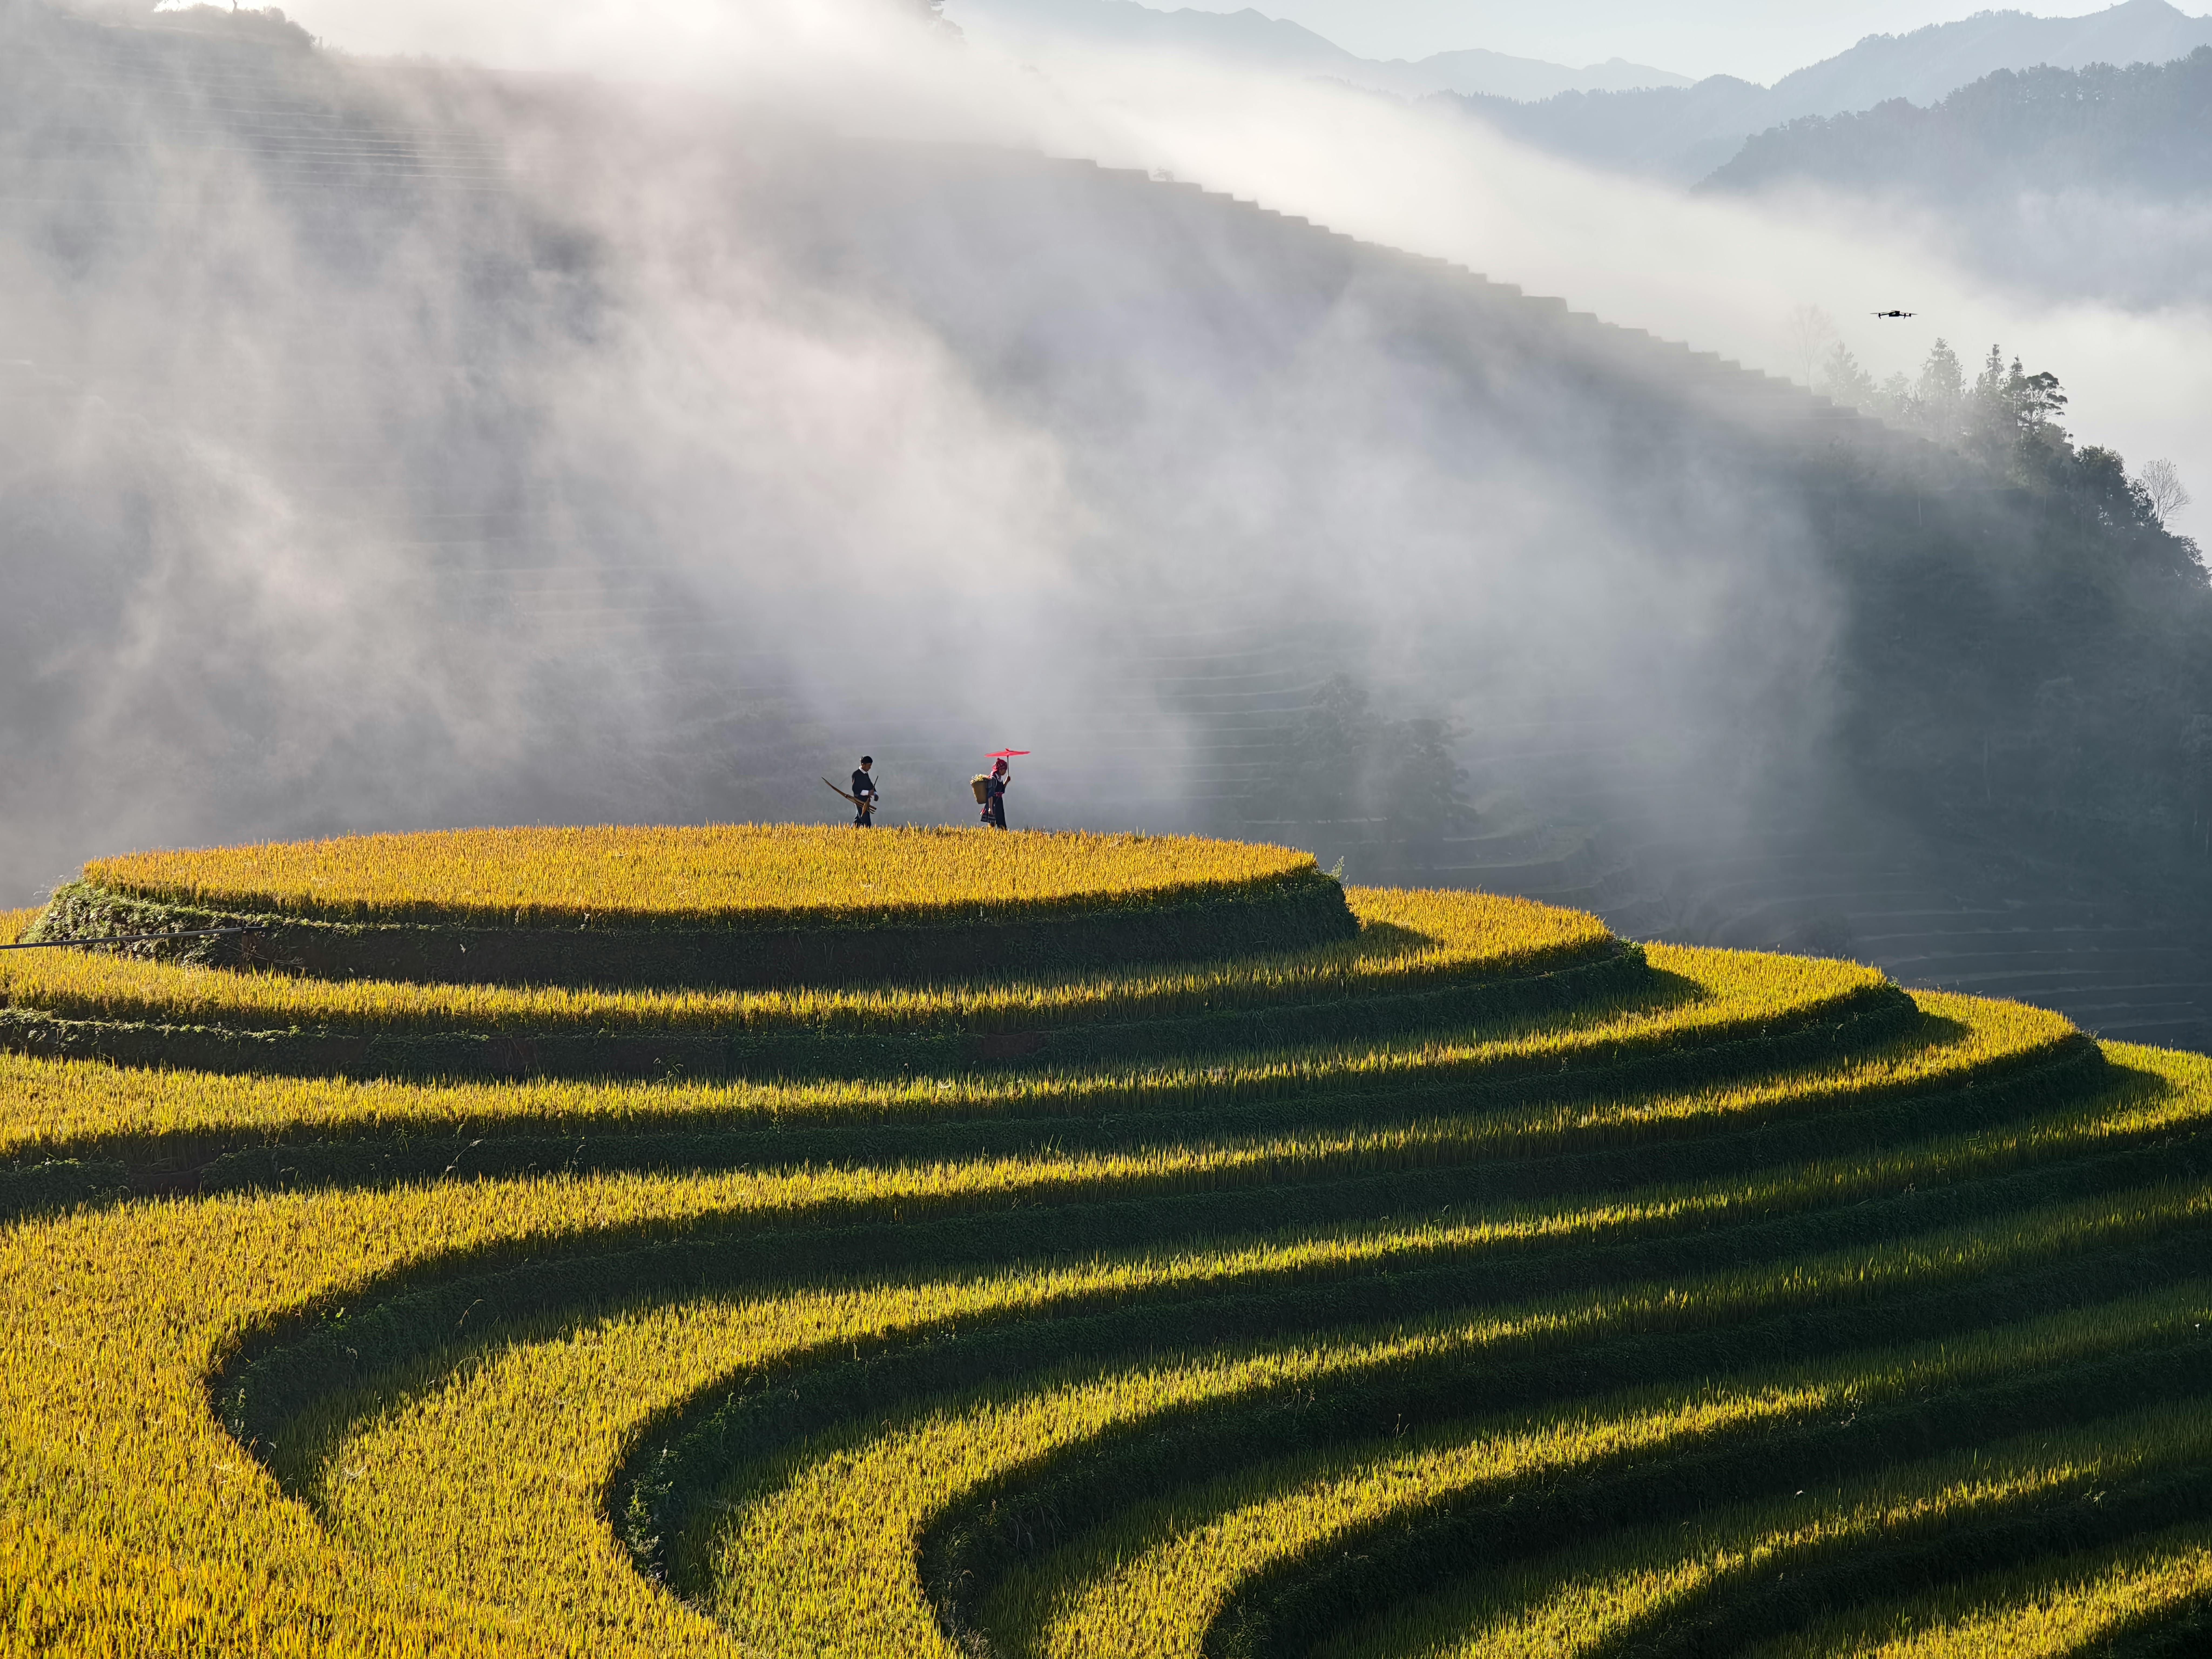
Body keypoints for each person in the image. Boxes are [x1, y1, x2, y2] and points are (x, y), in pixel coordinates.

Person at [981, 755, 1009, 830]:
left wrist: (1007, 782)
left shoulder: (999, 778)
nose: (1005, 772)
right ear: (1000, 770)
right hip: (993, 803)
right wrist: (990, 808)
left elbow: (1002, 790)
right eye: (1005, 770)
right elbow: (990, 794)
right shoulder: (993, 779)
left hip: (999, 802)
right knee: (992, 823)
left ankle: (1003, 834)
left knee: (1001, 821)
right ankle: (991, 838)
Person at [850, 756, 877, 828]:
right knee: (867, 823)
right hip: (860, 801)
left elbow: (870, 786)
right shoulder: (856, 775)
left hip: (866, 802)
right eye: (869, 766)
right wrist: (869, 793)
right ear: (863, 765)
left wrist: (875, 794)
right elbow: (856, 790)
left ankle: (849, 834)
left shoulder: (865, 774)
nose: (870, 768)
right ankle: (868, 836)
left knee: (858, 821)